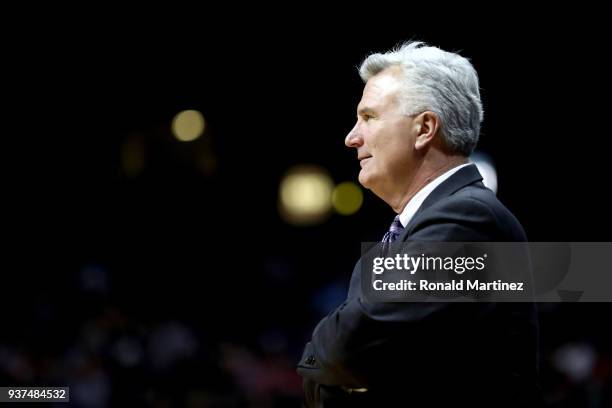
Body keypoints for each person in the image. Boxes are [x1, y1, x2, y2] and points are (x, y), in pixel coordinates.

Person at [297, 42, 541, 407]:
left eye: (370, 117)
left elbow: (343, 348)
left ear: (425, 127)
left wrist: (322, 356)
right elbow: (321, 371)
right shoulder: (414, 231)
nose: (352, 137)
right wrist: (323, 360)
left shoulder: (468, 220)